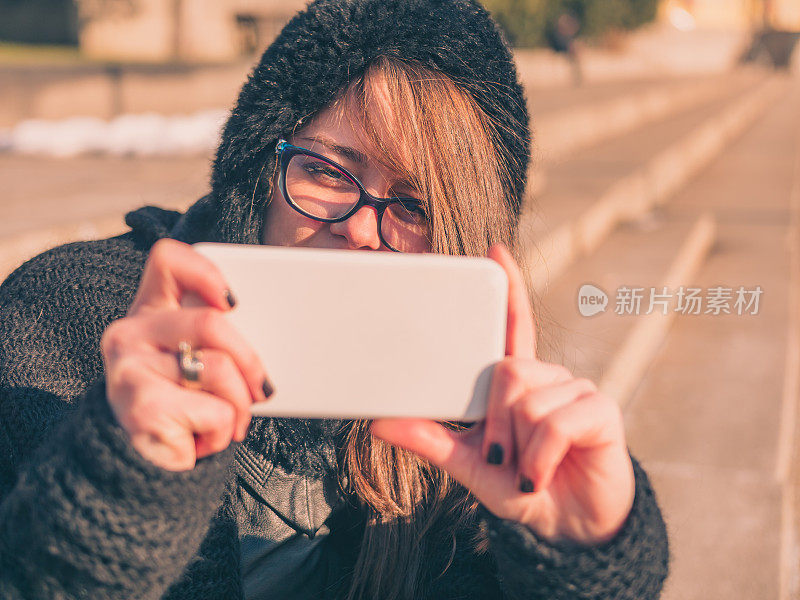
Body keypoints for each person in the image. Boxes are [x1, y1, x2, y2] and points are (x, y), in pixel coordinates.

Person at [0, 0, 669, 598]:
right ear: (261, 171)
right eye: (324, 170)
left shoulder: (464, 433)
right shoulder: (66, 321)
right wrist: (121, 480)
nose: (357, 226)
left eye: (413, 204)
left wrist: (579, 562)